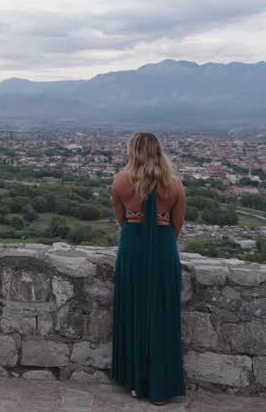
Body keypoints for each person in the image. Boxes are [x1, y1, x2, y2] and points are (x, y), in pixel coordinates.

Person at [109, 131, 186, 405]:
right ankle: (160, 385)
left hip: (132, 245)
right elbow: (177, 225)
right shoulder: (174, 184)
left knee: (133, 310)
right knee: (162, 312)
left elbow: (121, 220)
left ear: (133, 151)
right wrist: (160, 243)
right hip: (163, 247)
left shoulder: (121, 181)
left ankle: (135, 381)